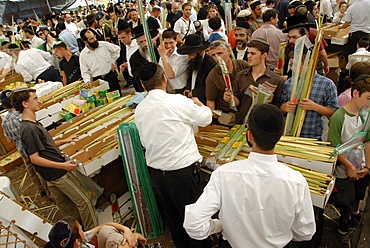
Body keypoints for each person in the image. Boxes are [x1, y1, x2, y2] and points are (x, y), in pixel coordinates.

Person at [183, 104, 316, 247]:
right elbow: (306, 232)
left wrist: (220, 225)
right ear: (280, 137)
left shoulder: (224, 174)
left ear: (250, 135)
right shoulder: (296, 181)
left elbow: (193, 225)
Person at [135, 62, 212, 248]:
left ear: (143, 86)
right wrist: (200, 104)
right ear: (164, 79)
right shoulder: (177, 101)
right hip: (182, 174)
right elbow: (206, 118)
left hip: (158, 175)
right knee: (195, 222)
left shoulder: (140, 109)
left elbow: (145, 142)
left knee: (175, 221)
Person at [12, 88, 98, 230]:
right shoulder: (29, 129)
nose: (39, 100)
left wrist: (65, 140)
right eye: (35, 98)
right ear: (25, 104)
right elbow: (35, 158)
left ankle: (76, 232)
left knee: (65, 206)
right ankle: (92, 233)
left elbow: (45, 145)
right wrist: (63, 166)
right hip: (58, 173)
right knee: (84, 201)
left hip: (50, 175)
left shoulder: (33, 124)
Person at [328, 74, 370, 236]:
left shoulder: (367, 115)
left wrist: (367, 166)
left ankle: (354, 215)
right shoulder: (339, 117)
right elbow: (334, 147)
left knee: (359, 195)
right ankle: (345, 220)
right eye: (368, 97)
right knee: (345, 199)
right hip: (343, 169)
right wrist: (348, 166)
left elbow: (368, 141)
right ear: (355, 93)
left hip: (361, 167)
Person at [0, 90, 49, 197]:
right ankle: (49, 190)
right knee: (40, 169)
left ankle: (41, 190)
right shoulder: (22, 115)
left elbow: (9, 140)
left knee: (31, 169)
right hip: (33, 147)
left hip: (21, 149)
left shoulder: (5, 121)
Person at [226, 39, 284, 124]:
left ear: (264, 55)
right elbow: (237, 101)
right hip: (241, 123)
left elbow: (277, 106)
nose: (249, 56)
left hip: (264, 125)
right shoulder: (240, 76)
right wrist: (230, 98)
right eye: (248, 53)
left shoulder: (275, 80)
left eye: (253, 53)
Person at [206, 40, 249, 126]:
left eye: (220, 53)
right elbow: (210, 101)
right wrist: (214, 115)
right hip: (229, 116)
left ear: (228, 51)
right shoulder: (212, 76)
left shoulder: (242, 65)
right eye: (213, 55)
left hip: (246, 110)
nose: (217, 58)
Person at [46, 216, 147, 248]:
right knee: (120, 241)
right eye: (81, 229)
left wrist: (127, 230)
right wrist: (135, 236)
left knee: (106, 230)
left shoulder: (72, 242)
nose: (82, 227)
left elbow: (104, 225)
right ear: (77, 241)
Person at [79, 28, 121, 95]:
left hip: (111, 77)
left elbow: (117, 50)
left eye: (94, 37)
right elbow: (85, 71)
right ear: (86, 42)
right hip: (98, 81)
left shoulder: (104, 45)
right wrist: (87, 81)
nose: (95, 39)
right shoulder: (83, 55)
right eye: (91, 39)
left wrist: (112, 62)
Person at [177, 34, 217, 104]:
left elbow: (213, 87)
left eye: (191, 54)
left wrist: (195, 93)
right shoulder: (194, 61)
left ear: (200, 52)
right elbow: (191, 77)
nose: (189, 57)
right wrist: (188, 88)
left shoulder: (210, 63)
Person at [129, 25, 160, 92]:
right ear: (138, 43)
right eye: (141, 42)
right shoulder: (134, 58)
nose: (144, 44)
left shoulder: (157, 50)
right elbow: (137, 78)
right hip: (147, 89)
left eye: (145, 40)